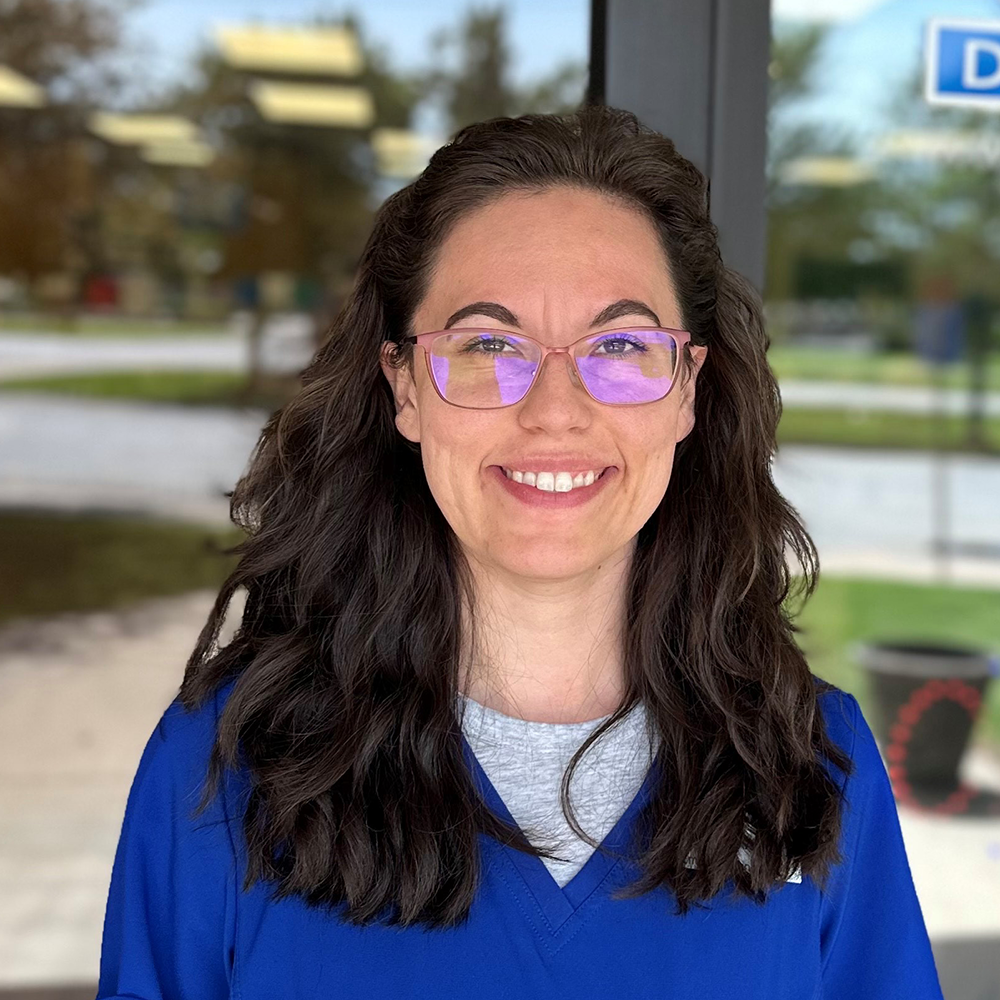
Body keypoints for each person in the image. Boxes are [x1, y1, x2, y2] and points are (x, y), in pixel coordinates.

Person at [94, 105, 945, 999]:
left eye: (620, 345)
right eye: (488, 344)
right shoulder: (222, 770)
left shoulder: (812, 768)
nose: (554, 410)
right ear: (404, 389)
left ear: (689, 389)